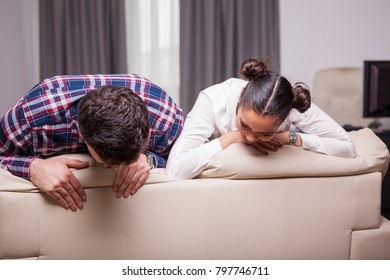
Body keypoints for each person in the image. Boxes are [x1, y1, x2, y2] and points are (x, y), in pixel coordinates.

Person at [0, 74, 183, 211]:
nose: (118, 169)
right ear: (81, 133)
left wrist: (149, 160)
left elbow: (186, 160)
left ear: (148, 131)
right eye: (109, 163)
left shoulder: (166, 119)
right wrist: (33, 167)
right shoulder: (30, 117)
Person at [166, 58, 355, 179]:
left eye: (265, 133)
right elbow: (175, 170)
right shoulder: (213, 99)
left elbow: (347, 148)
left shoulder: (290, 105)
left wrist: (291, 138)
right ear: (241, 95)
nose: (249, 138)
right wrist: (230, 138)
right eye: (245, 125)